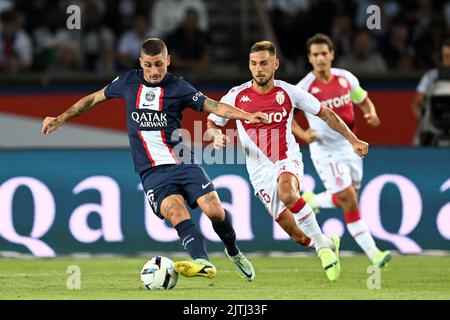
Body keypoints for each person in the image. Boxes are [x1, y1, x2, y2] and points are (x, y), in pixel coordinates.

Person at [41, 38, 268, 282]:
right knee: (175, 211)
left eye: (159, 64)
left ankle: (233, 252)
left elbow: (214, 106)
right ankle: (202, 262)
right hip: (152, 172)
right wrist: (61, 117)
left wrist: (247, 116)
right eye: (148, 65)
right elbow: (94, 98)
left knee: (214, 210)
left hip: (182, 161)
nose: (154, 71)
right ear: (141, 63)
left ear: (168, 60)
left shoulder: (179, 87)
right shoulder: (127, 81)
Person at [207, 41, 370, 282]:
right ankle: (324, 242)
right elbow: (212, 121)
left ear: (275, 64)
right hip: (258, 171)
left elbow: (326, 113)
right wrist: (216, 134)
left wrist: (353, 140)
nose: (258, 69)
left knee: (288, 193)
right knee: (296, 235)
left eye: (264, 63)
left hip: (286, 158)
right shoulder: (236, 95)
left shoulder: (289, 92)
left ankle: (323, 250)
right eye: (253, 64)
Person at [293, 33, 391, 267]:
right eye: (315, 55)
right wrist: (304, 135)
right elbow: (288, 117)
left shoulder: (346, 78)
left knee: (347, 196)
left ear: (332, 55)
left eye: (324, 54)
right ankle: (374, 254)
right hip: (324, 151)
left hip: (350, 145)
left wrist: (372, 112)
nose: (320, 58)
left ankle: (313, 200)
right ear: (310, 58)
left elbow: (363, 99)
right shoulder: (304, 87)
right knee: (348, 199)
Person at [411, 38, 450, 146]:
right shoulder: (430, 76)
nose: (447, 61)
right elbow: (416, 103)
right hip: (433, 129)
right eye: (445, 57)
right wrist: (424, 122)